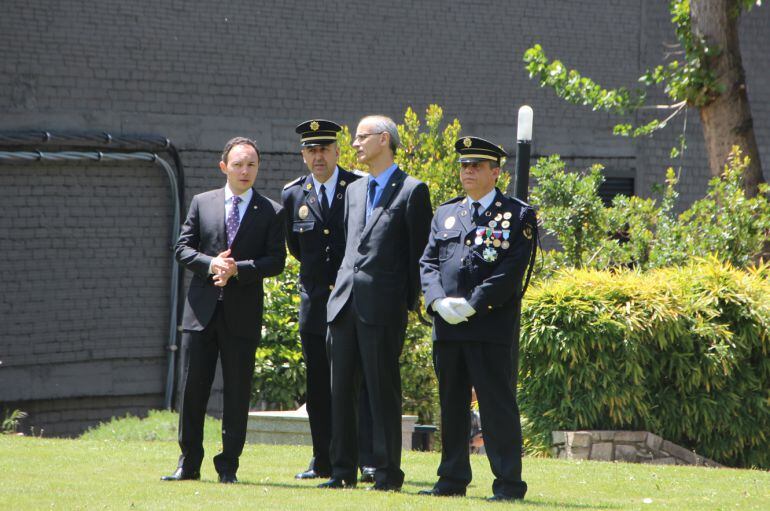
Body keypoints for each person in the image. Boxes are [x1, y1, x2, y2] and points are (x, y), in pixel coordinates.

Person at [418, 136, 537, 501]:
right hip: (448, 327)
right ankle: (451, 479)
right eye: (464, 165)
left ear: (495, 172)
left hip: (489, 326)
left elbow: (511, 271)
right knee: (451, 405)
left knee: (496, 407)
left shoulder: (517, 215)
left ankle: (508, 485)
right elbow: (428, 262)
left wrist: (473, 303)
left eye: (476, 166)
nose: (468, 171)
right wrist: (437, 301)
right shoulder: (446, 213)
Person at [162, 137, 286, 484]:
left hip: (242, 315)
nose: (245, 171)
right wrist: (211, 263)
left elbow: (276, 261)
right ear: (224, 167)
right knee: (192, 391)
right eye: (238, 164)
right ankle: (188, 463)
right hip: (200, 314)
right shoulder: (202, 203)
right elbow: (182, 249)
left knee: (237, 392)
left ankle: (228, 466)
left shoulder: (272, 211)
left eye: (251, 165)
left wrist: (238, 269)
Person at [319, 115, 432, 491]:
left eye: (361, 137)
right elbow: (349, 247)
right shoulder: (353, 190)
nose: (355, 144)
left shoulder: (412, 191)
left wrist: (404, 304)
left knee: (382, 393)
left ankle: (386, 474)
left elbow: (418, 256)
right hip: (344, 304)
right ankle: (341, 471)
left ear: (384, 140)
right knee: (341, 392)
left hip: (382, 308)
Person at [281, 119, 375, 482]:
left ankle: (366, 459)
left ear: (337, 151)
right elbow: (296, 248)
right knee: (319, 384)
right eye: (311, 150)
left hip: (352, 299)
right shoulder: (293, 194)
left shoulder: (358, 187)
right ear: (303, 155)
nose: (318, 156)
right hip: (316, 302)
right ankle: (322, 459)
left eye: (324, 149)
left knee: (358, 382)